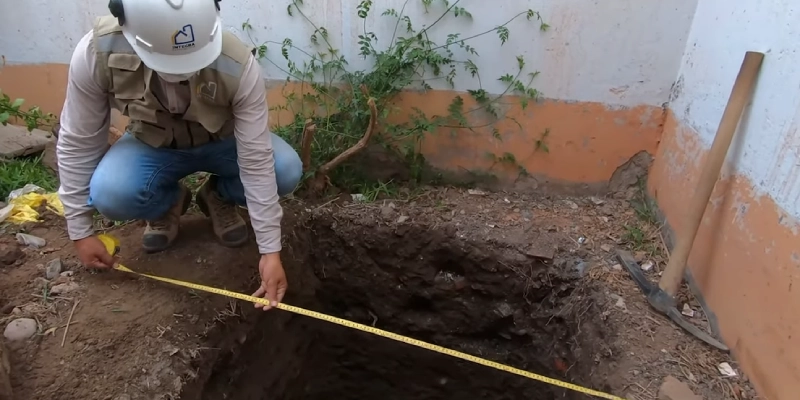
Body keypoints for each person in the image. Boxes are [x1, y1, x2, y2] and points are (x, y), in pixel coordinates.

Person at [55, 0, 302, 310]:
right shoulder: (96, 53)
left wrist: (270, 252)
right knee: (111, 194)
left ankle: (218, 197)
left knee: (285, 169)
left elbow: (255, 157)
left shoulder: (236, 64)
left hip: (223, 143)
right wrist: (80, 231)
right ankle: (167, 202)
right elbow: (79, 140)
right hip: (152, 147)